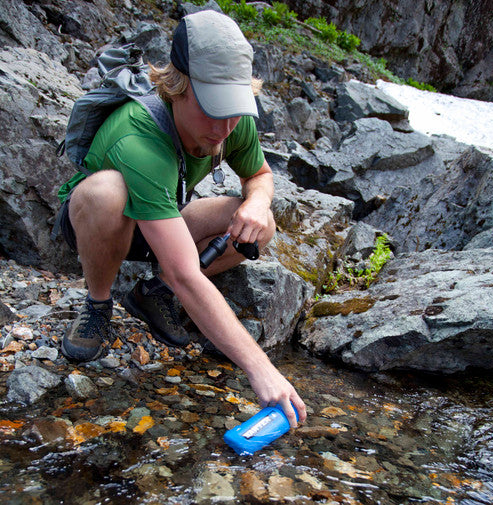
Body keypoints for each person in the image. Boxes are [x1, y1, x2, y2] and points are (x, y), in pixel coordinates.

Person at [56, 10, 306, 427]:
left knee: (257, 225)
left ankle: (152, 294)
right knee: (106, 193)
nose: (224, 128)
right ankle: (98, 305)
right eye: (212, 110)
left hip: (161, 216)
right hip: (101, 218)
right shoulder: (138, 137)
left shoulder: (231, 123)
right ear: (178, 89)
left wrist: (258, 203)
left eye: (233, 110)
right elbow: (187, 271)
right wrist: (261, 369)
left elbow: (259, 176)